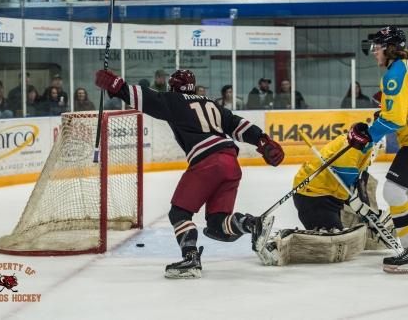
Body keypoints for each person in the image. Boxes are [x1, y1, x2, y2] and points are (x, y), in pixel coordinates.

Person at [95, 68, 285, 279]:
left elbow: (147, 98)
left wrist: (118, 87)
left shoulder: (175, 100)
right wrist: (262, 140)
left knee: (179, 213)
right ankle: (252, 223)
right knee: (217, 224)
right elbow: (237, 124)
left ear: (174, 87)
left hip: (208, 162)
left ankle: (190, 258)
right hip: (231, 162)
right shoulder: (210, 103)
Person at [347, 26, 408, 273]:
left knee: (393, 190)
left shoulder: (392, 75)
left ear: (389, 49)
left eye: (377, 48)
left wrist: (368, 136)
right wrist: (388, 109)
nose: (374, 53)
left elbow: (395, 120)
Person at [256, 131, 392, 266]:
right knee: (334, 242)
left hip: (331, 199)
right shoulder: (353, 147)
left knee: (367, 190)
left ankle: (372, 229)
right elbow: (349, 180)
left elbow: (358, 186)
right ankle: (280, 243)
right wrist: (364, 211)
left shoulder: (361, 145)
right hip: (314, 197)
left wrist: (369, 215)